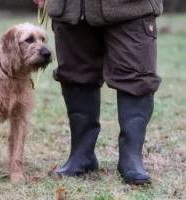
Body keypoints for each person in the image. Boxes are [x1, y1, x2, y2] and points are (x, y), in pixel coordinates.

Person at [33, 0, 163, 185]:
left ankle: (131, 159)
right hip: (70, 8)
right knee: (75, 76)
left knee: (136, 78)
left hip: (131, 7)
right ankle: (82, 156)